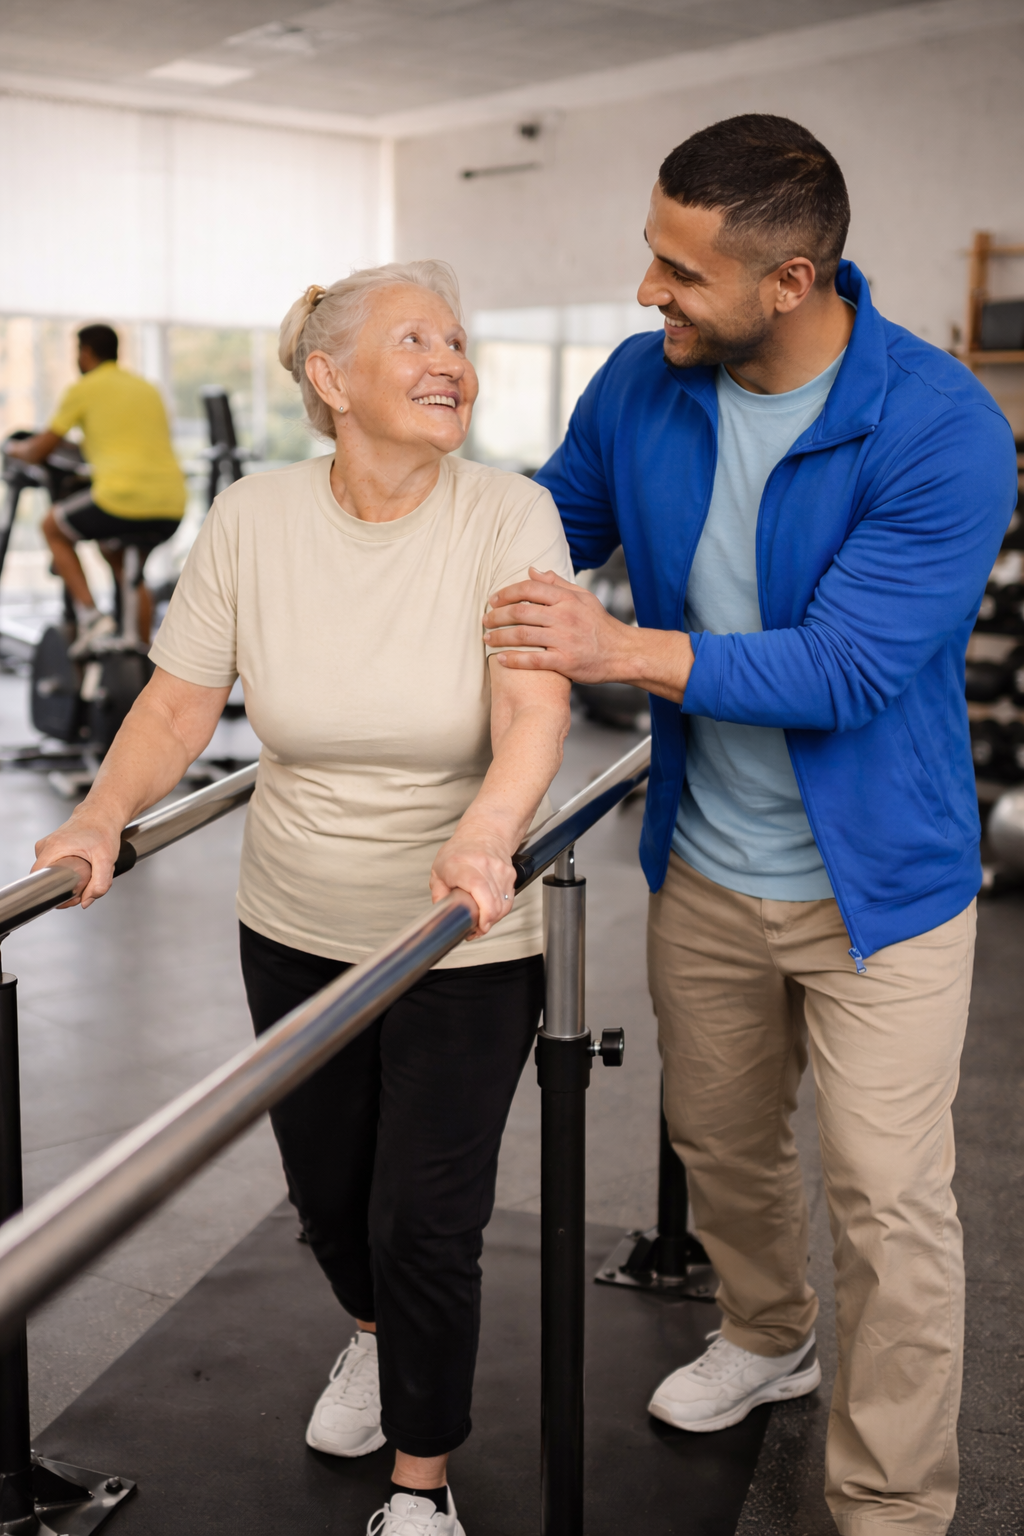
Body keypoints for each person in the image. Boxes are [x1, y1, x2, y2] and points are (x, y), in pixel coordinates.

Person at [482, 116, 1017, 1534]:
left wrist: (619, 650)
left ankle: (894, 1510)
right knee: (724, 1150)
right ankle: (770, 1337)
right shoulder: (645, 383)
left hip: (882, 894)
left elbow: (845, 670)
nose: (648, 291)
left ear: (791, 281)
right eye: (651, 253)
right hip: (707, 864)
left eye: (679, 271)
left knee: (892, 1211)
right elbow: (542, 528)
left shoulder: (941, 425)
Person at [32, 261, 574, 1536]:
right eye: (414, 338)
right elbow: (179, 702)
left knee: (424, 1218)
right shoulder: (255, 519)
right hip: (294, 917)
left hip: (467, 933)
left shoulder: (510, 515)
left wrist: (489, 836)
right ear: (331, 381)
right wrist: (102, 814)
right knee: (331, 1198)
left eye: (457, 334)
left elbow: (531, 709)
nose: (450, 357)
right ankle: (374, 1342)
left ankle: (421, 1484)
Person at [7, 323, 185, 652]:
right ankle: (139, 656)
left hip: (121, 500)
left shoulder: (85, 388)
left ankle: (91, 617)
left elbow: (37, 451)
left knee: (52, 526)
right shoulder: (146, 388)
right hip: (171, 505)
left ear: (86, 353)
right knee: (124, 563)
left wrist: (13, 449)